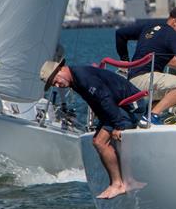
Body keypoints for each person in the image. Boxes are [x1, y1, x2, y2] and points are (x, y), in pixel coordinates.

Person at [40, 59, 140, 200]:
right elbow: (96, 102)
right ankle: (116, 182)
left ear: (61, 69)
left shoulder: (84, 77)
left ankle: (117, 184)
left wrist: (120, 125)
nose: (58, 86)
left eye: (55, 81)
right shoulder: (75, 79)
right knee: (96, 140)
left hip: (128, 106)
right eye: (53, 85)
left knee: (100, 142)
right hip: (116, 108)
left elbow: (105, 98)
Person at [115, 5, 176, 124]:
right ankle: (152, 117)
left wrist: (124, 59)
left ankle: (149, 113)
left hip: (133, 80)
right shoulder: (172, 34)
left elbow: (120, 34)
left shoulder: (150, 26)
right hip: (146, 79)